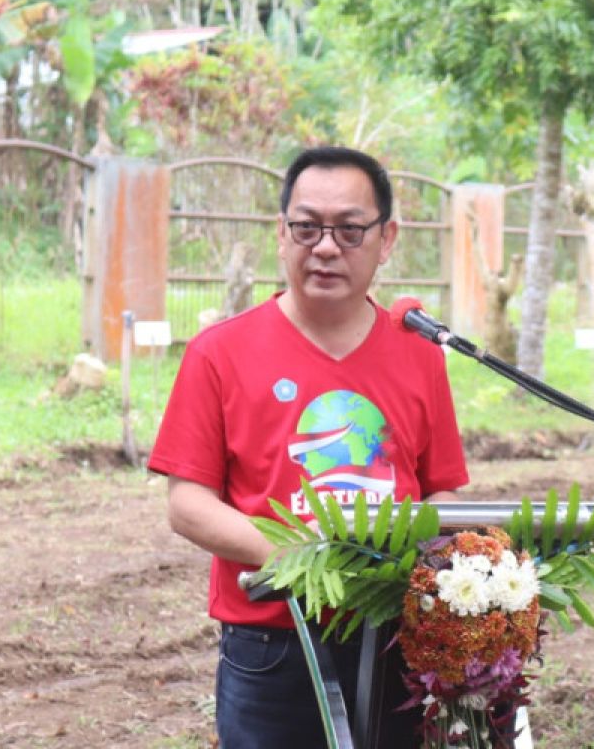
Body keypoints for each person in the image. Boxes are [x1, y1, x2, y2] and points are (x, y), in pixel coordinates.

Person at [148, 146, 469, 748]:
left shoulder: (421, 355)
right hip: (272, 643)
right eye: (307, 227)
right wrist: (297, 562)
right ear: (281, 232)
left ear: (387, 238)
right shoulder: (219, 352)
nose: (325, 247)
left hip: (394, 637)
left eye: (349, 230)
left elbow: (441, 489)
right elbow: (187, 503)